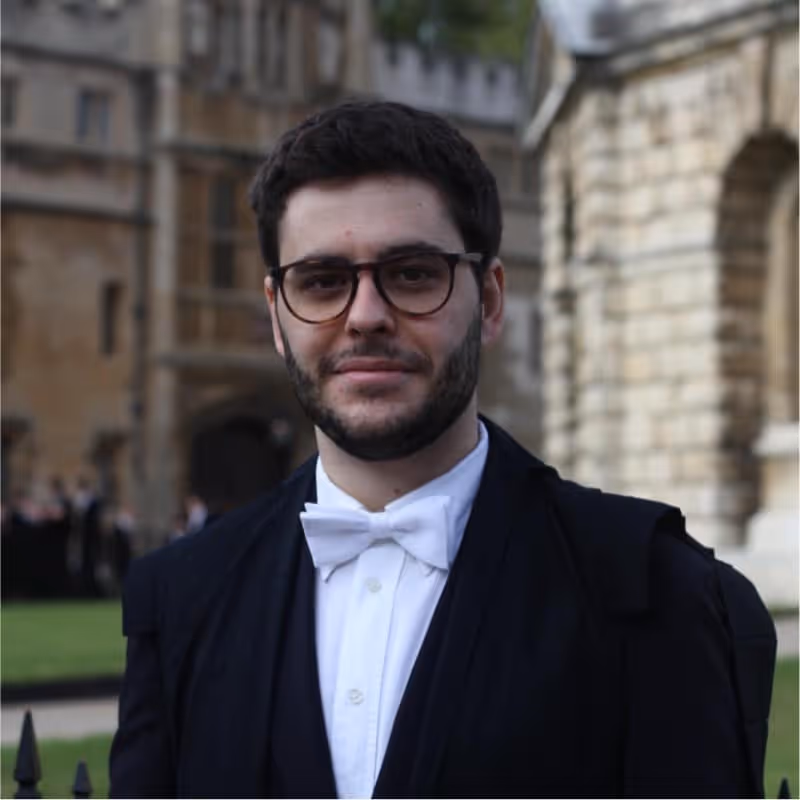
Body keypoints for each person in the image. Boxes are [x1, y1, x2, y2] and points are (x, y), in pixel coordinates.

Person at [110, 101, 775, 798]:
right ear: (277, 315)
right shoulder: (182, 596)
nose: (366, 316)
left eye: (413, 274)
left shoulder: (651, 584)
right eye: (323, 282)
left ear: (489, 300)